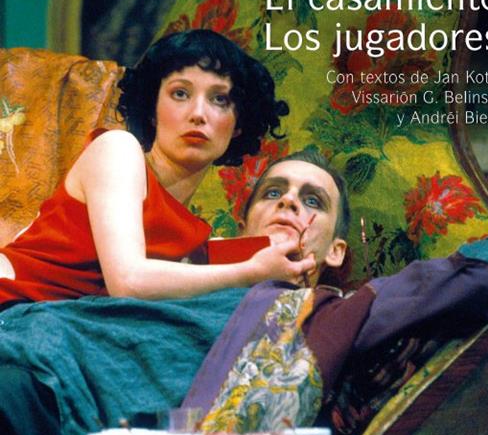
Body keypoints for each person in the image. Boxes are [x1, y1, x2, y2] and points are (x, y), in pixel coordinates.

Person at [0, 149, 488, 435]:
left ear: (335, 250)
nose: (288, 202)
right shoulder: (168, 273)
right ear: (243, 226)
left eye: (312, 201)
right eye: (273, 193)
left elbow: (463, 279)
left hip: (44, 410)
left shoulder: (325, 314)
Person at [0, 28, 313, 307]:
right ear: (152, 109)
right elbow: (128, 282)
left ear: (238, 125)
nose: (198, 113)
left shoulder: (193, 239)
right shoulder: (118, 150)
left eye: (219, 99)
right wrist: (249, 272)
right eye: (180, 93)